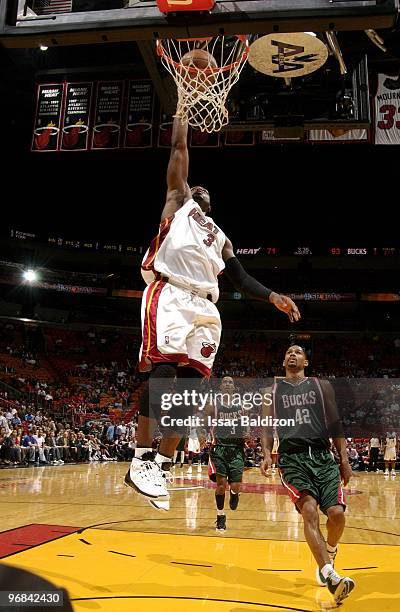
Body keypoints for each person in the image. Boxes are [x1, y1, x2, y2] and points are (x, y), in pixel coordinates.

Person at [124, 110, 300, 511]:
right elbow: (179, 147)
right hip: (171, 295)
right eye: (194, 186)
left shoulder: (220, 236)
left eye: (203, 190)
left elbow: (238, 279)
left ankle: (161, 466)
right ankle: (139, 460)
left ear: (212, 203)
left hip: (207, 307)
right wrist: (184, 108)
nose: (197, 189)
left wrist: (272, 296)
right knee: (164, 375)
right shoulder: (177, 204)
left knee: (187, 391)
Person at [260, 345, 355, 605]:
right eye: (289, 352)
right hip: (292, 459)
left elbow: (335, 423)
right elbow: (267, 428)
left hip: (323, 457)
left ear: (306, 361)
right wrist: (267, 453)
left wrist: (344, 460)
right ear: (283, 361)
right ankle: (331, 577)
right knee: (310, 510)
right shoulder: (271, 393)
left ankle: (330, 552)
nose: (293, 354)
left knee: (337, 516)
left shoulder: (321, 386)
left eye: (298, 352)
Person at [206, 376, 248, 532]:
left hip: (236, 449)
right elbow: (204, 423)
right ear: (221, 387)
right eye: (225, 382)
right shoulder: (213, 406)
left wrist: (247, 432)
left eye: (231, 382)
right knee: (221, 485)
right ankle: (220, 516)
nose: (228, 384)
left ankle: (235, 494)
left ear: (234, 387)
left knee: (235, 486)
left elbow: (246, 424)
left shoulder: (242, 406)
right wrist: (204, 436)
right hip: (220, 448)